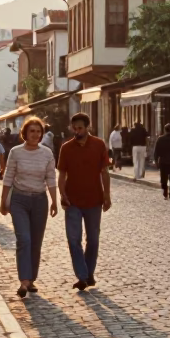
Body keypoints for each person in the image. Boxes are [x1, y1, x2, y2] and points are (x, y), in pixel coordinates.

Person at [0, 117, 58, 298]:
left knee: (36, 242)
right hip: (19, 200)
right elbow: (8, 177)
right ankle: (24, 281)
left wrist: (55, 201)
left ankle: (31, 279)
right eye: (32, 131)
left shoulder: (47, 153)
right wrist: (3, 201)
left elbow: (50, 178)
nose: (35, 135)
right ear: (25, 133)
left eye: (38, 131)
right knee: (23, 238)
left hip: (40, 200)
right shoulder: (16, 152)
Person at [57, 112, 111, 292]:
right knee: (73, 240)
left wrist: (107, 195)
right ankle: (82, 276)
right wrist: (62, 193)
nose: (77, 131)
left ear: (87, 127)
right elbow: (62, 173)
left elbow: (104, 171)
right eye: (75, 128)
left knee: (93, 239)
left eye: (80, 128)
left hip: (94, 199)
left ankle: (89, 273)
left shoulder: (99, 145)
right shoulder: (66, 148)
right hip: (72, 200)